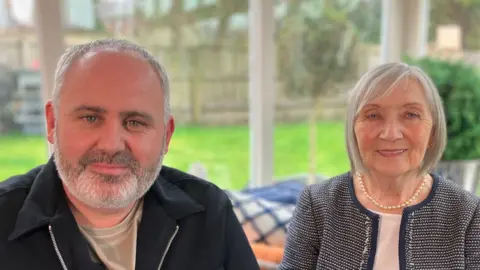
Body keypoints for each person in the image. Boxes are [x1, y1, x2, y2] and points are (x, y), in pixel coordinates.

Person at [0, 39, 260, 270]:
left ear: (166, 136)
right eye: (90, 118)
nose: (112, 145)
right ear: (52, 123)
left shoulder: (209, 213)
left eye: (135, 122)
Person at [279, 62, 480, 269]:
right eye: (373, 115)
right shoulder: (317, 205)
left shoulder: (468, 214)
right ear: (353, 130)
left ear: (433, 133)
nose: (391, 134)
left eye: (411, 114)